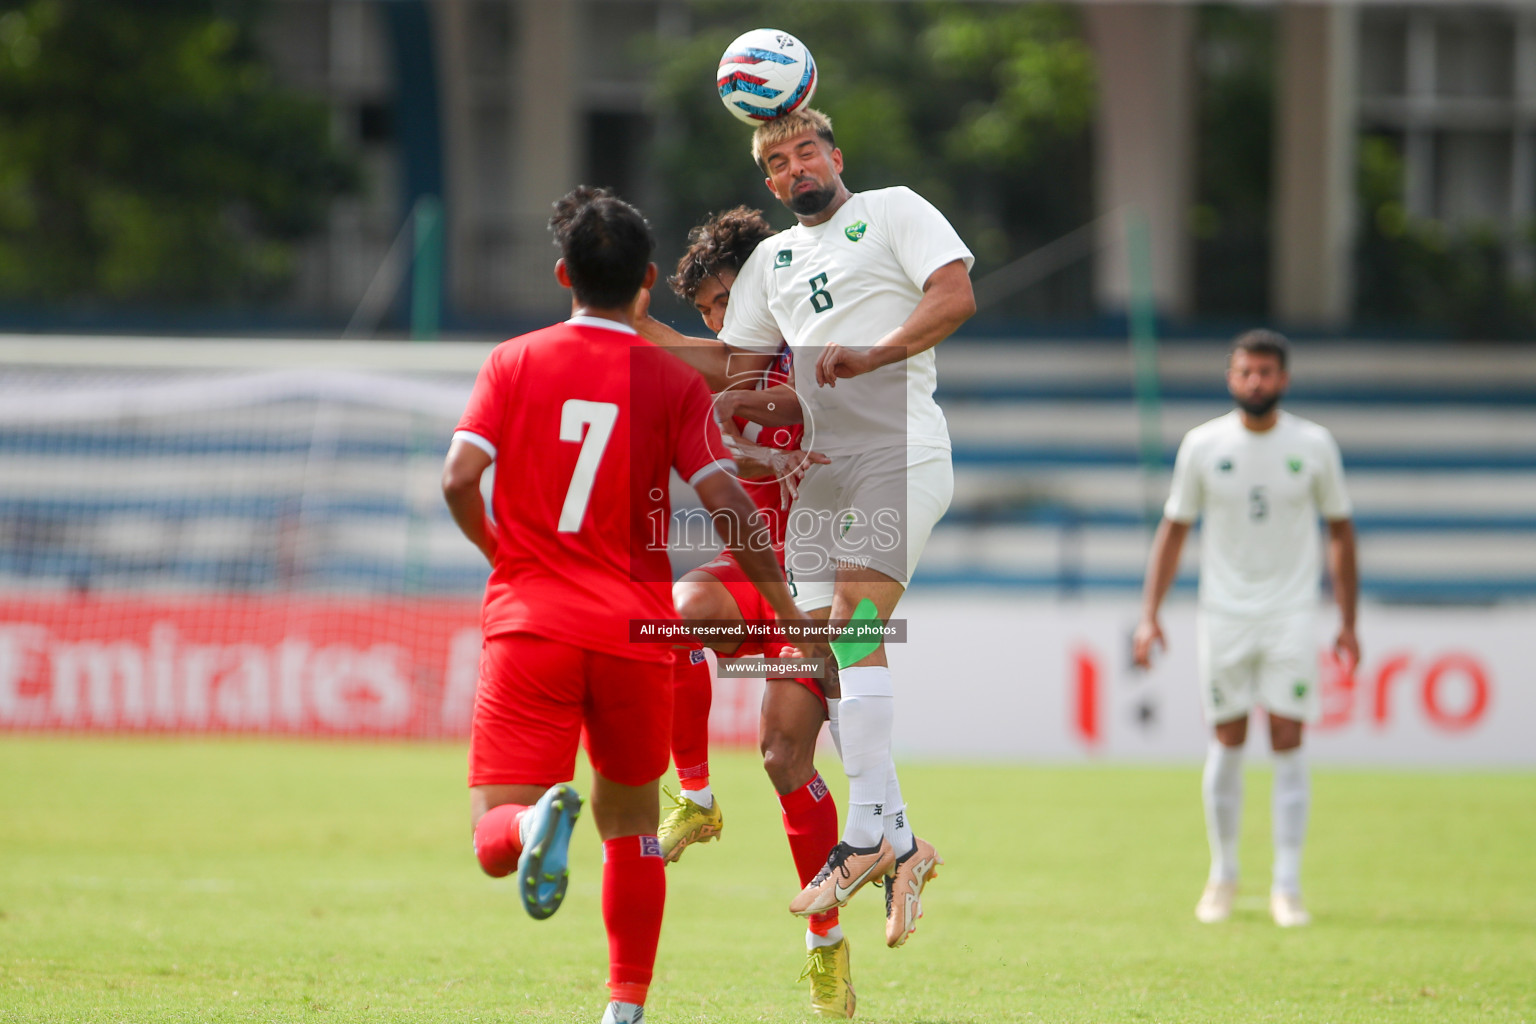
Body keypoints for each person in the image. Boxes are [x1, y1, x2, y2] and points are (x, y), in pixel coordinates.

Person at [441, 186, 814, 1024]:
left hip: (532, 622)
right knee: (636, 830)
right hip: (633, 633)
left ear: (562, 273)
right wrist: (790, 618)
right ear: (649, 280)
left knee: (494, 835)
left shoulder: (512, 360)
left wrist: (506, 557)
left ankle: (535, 819)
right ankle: (624, 1009)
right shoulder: (670, 381)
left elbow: (459, 480)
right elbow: (728, 507)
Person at [646, 107, 977, 953]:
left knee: (855, 639)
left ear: (835, 155)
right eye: (777, 160)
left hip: (896, 454)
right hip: (824, 500)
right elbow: (733, 360)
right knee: (828, 672)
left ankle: (866, 835)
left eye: (806, 151)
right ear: (767, 180)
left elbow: (955, 293)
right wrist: (627, 319)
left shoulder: (894, 210)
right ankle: (898, 842)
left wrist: (876, 354)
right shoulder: (774, 262)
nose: (796, 167)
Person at [642, 207, 854, 1017]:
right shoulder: (739, 368)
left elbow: (735, 377)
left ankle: (827, 945)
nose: (718, 324)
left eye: (724, 301)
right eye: (703, 313)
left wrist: (638, 323)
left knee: (783, 758)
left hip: (838, 582)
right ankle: (693, 795)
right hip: (762, 573)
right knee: (681, 608)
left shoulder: (810, 354)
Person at [1132, 329, 1359, 929]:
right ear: (1231, 378)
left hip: (1291, 614)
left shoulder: (1314, 445)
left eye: (1266, 372)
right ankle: (1224, 876)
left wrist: (1348, 620)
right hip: (1224, 613)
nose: (1256, 381)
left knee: (1288, 734)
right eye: (1246, 372)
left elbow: (1340, 530)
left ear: (1284, 379)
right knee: (1227, 738)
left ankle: (1287, 884)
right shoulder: (1203, 445)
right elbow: (1174, 529)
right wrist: (1150, 613)